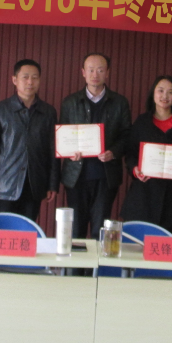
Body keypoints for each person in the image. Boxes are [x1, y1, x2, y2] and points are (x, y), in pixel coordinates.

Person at [60, 53, 131, 239]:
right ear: (83, 72)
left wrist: (113, 152)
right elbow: (62, 135)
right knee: (76, 230)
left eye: (100, 70)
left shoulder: (120, 102)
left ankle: (98, 260)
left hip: (106, 176)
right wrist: (68, 152)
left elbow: (127, 135)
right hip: (76, 176)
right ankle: (75, 260)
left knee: (99, 230)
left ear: (107, 73)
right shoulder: (70, 102)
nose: (95, 74)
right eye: (90, 70)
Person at [0, 59, 60, 222]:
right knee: (2, 231)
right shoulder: (0, 110)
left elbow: (53, 150)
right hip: (4, 184)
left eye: (35, 77)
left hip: (35, 184)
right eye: (25, 77)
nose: (30, 82)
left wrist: (52, 184)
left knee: (27, 230)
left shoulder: (48, 112)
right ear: (14, 80)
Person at [120, 75, 172, 234]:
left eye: (170, 92)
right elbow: (131, 153)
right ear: (153, 94)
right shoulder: (142, 122)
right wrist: (135, 170)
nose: (165, 96)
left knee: (164, 241)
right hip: (144, 193)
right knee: (139, 242)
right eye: (160, 91)